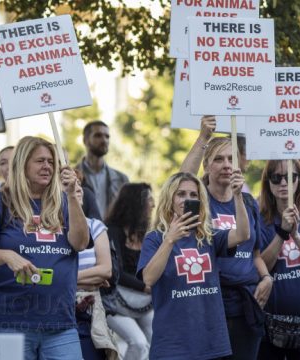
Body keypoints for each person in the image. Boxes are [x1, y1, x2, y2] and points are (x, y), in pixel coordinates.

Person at [0, 136, 89, 359]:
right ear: (23, 164)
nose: (47, 166)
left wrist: (71, 196)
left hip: (61, 322)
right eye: (40, 161)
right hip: (10, 323)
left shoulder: (63, 201)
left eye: (51, 161)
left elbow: (80, 243)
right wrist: (6, 256)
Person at [182, 118, 273, 360]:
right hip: (209, 304)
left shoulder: (249, 204)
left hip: (245, 307)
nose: (226, 165)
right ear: (206, 165)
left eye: (231, 159)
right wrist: (203, 138)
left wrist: (266, 278)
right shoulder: (196, 203)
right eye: (218, 159)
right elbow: (180, 180)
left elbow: (254, 254)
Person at [137, 171, 250, 359]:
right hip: (172, 346)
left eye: (193, 195)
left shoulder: (209, 236)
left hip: (212, 342)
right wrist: (170, 240)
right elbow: (148, 278)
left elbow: (243, 235)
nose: (187, 199)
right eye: (180, 194)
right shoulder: (155, 238)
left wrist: (237, 196)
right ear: (169, 199)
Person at [258, 160, 300, 360]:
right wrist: (282, 232)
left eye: (290, 177)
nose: (283, 183)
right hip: (269, 327)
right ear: (267, 183)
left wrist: (297, 236)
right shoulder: (259, 220)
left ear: (299, 181)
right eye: (276, 177)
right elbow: (261, 267)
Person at [104, 183, 155, 360]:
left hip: (143, 302)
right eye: (149, 200)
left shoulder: (146, 234)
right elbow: (114, 271)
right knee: (138, 343)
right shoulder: (112, 231)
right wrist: (145, 286)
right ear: (136, 204)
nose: (153, 205)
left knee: (158, 341)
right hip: (114, 302)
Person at [71, 180, 117, 360]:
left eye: (77, 184)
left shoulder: (95, 226)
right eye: (67, 184)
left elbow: (106, 271)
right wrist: (90, 278)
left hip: (89, 314)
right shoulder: (47, 227)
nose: (77, 189)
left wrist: (64, 279)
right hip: (56, 310)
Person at [76, 120, 129, 217]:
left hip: (111, 232)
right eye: (98, 135)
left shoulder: (121, 179)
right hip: (84, 231)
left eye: (107, 136)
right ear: (85, 140)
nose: (104, 140)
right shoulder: (72, 176)